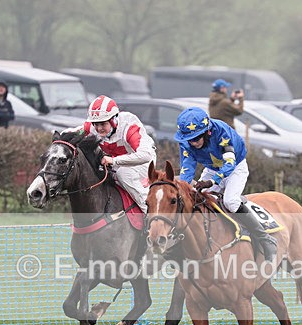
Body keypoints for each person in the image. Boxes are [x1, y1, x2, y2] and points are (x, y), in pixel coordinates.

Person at [174, 106, 277, 262]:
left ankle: (265, 238)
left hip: (235, 168)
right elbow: (187, 170)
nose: (193, 143)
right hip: (212, 169)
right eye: (189, 140)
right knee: (195, 200)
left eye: (196, 138)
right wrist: (183, 189)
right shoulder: (186, 143)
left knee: (231, 201)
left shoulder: (221, 132)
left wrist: (212, 181)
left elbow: (229, 164)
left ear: (207, 132)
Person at [78, 94, 156, 213]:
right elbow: (73, 133)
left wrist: (114, 161)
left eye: (103, 124)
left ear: (113, 121)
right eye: (96, 124)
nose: (98, 128)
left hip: (143, 162)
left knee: (124, 173)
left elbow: (145, 155)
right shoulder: (91, 126)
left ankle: (150, 211)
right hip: (117, 162)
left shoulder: (129, 126)